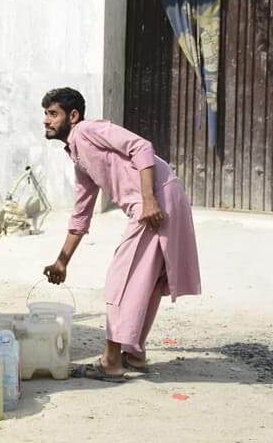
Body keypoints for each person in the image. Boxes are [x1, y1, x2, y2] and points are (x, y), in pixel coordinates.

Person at [41, 87, 201, 381]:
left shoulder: (88, 130)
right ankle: (134, 355)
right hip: (161, 198)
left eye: (53, 114)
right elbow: (81, 213)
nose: (47, 121)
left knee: (121, 279)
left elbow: (141, 146)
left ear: (72, 116)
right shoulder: (78, 154)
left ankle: (111, 362)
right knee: (146, 281)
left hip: (154, 201)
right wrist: (62, 261)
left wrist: (149, 199)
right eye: (46, 114)